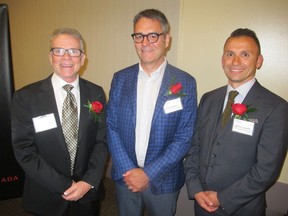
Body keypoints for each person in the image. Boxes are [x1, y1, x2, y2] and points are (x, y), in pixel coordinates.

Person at [184, 28, 288, 215]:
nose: (235, 61)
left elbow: (266, 170)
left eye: (245, 54)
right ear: (222, 59)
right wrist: (195, 188)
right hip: (201, 203)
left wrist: (222, 198)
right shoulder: (208, 99)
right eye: (230, 54)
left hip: (242, 208)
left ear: (259, 61)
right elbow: (194, 148)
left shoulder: (276, 108)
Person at [107, 9, 197, 216]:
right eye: (139, 36)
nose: (145, 42)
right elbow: (111, 126)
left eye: (153, 36)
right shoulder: (120, 78)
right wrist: (129, 170)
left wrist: (148, 174)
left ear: (166, 40)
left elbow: (184, 136)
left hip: (164, 179)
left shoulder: (185, 82)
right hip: (125, 176)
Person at [11, 28, 108, 216]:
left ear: (82, 57)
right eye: (59, 51)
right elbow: (24, 150)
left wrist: (87, 182)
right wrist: (65, 185)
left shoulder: (96, 93)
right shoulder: (26, 97)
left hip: (86, 194)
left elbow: (102, 141)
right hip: (46, 194)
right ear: (50, 56)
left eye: (73, 51)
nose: (66, 57)